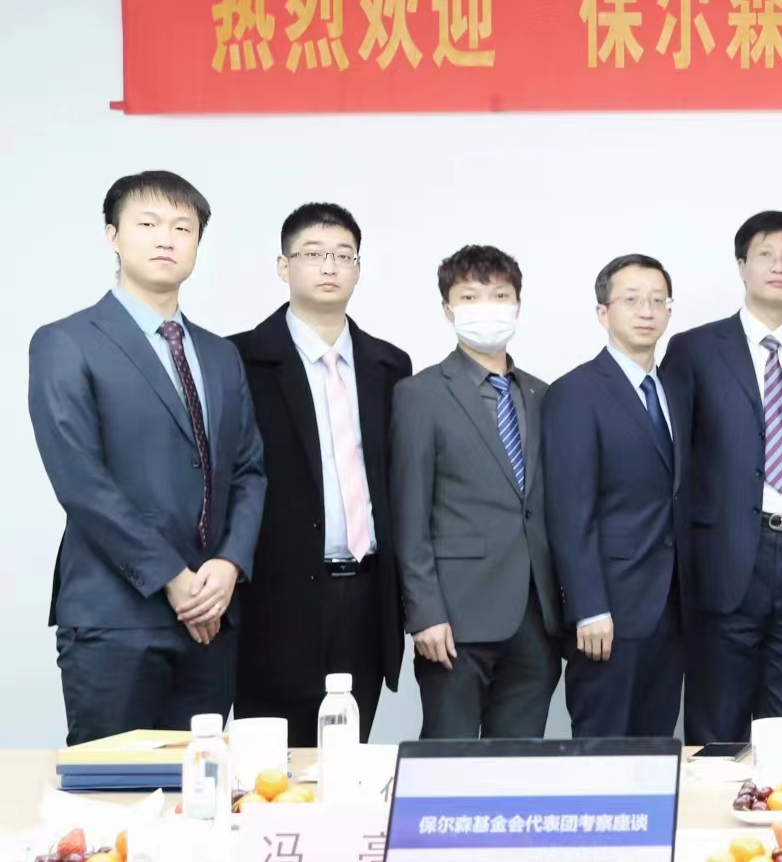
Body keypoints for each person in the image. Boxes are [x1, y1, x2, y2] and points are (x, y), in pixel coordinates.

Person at [28, 172, 267, 744]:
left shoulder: (220, 354)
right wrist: (171, 578)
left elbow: (249, 470)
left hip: (211, 618)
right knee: (111, 789)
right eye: (148, 223)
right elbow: (81, 482)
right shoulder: (66, 342)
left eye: (183, 227)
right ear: (112, 235)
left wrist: (229, 565)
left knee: (201, 786)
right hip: (115, 618)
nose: (167, 238)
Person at [661, 212, 782, 745]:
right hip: (721, 554)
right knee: (717, 718)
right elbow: (672, 459)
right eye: (766, 255)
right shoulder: (694, 350)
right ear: (742, 265)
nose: (779, 266)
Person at [228, 203, 411, 746]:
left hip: (367, 596)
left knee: (348, 762)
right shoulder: (239, 359)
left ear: (357, 269)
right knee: (271, 770)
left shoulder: (390, 365)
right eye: (313, 254)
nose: (329, 266)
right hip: (275, 597)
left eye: (343, 256)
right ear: (283, 266)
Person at [393, 245, 562, 739]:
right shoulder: (420, 394)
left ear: (517, 305)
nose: (487, 307)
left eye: (499, 296)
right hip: (455, 617)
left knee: (520, 764)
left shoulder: (543, 394)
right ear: (448, 309)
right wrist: (424, 613)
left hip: (536, 616)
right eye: (470, 297)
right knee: (448, 763)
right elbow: (409, 513)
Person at [543, 255, 690, 739]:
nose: (646, 310)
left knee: (656, 750)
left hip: (672, 609)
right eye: (631, 300)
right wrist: (589, 607)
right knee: (602, 754)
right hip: (609, 613)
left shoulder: (674, 390)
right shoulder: (576, 393)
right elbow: (570, 513)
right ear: (603, 313)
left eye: (657, 300)